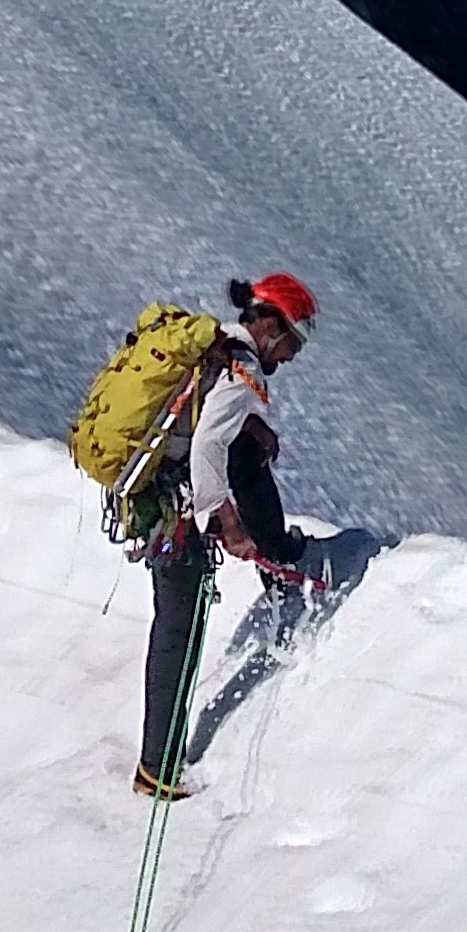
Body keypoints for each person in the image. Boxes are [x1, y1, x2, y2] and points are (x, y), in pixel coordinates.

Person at [134, 273, 314, 798]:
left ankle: (276, 550)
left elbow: (210, 428)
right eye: (293, 339)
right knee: (177, 632)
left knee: (174, 627)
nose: (293, 353)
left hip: (158, 498)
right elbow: (207, 448)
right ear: (271, 324)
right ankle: (157, 769)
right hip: (177, 511)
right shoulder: (241, 368)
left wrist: (251, 430)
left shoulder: (219, 352)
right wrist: (227, 522)